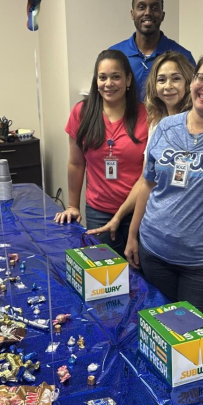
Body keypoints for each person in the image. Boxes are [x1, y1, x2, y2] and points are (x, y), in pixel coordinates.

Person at [124, 49, 203, 323]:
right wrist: (133, 236)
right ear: (193, 81)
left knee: (191, 343)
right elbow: (147, 184)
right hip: (154, 251)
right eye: (202, 78)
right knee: (158, 330)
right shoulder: (166, 127)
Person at [86, 51, 195, 244]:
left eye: (176, 78)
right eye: (161, 80)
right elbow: (147, 181)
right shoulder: (155, 123)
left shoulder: (201, 120)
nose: (168, 86)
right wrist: (128, 230)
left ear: (189, 81)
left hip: (191, 230)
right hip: (156, 223)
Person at [53, 50, 148, 256]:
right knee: (105, 279)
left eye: (116, 76)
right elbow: (76, 164)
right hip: (99, 211)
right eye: (102, 77)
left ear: (128, 79)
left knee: (140, 277)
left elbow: (148, 174)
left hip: (140, 211)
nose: (108, 83)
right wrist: (72, 205)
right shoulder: (82, 112)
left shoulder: (147, 115)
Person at [111, 0, 195, 100]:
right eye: (141, 7)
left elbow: (196, 98)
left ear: (162, 15)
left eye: (154, 8)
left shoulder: (183, 56)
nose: (148, 13)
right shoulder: (114, 54)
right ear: (132, 14)